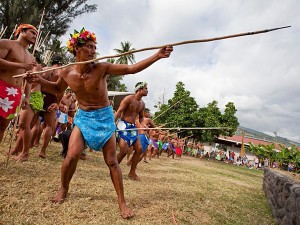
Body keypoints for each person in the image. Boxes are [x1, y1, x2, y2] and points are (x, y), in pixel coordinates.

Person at [25, 28, 173, 219]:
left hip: (104, 118)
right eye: (89, 47)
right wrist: (39, 80)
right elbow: (56, 88)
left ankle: (122, 202)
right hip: (84, 118)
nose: (93, 50)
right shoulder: (66, 72)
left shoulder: (102, 68)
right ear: (77, 49)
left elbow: (131, 68)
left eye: (95, 47)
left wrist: (157, 56)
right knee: (71, 156)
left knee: (112, 161)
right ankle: (63, 188)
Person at [0, 24, 38, 143]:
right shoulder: (6, 43)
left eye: (36, 35)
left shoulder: (31, 57)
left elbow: (27, 79)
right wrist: (21, 65)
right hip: (1, 86)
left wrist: (27, 96)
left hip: (15, 93)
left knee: (2, 127)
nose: (35, 36)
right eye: (33, 33)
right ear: (22, 31)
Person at [114, 81, 149, 180]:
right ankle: (113, 169)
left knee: (139, 149)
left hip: (133, 127)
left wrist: (144, 125)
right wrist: (113, 123)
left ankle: (132, 172)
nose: (147, 90)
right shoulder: (128, 99)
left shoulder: (142, 103)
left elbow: (141, 118)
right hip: (123, 126)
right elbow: (119, 111)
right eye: (145, 88)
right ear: (139, 89)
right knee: (124, 151)